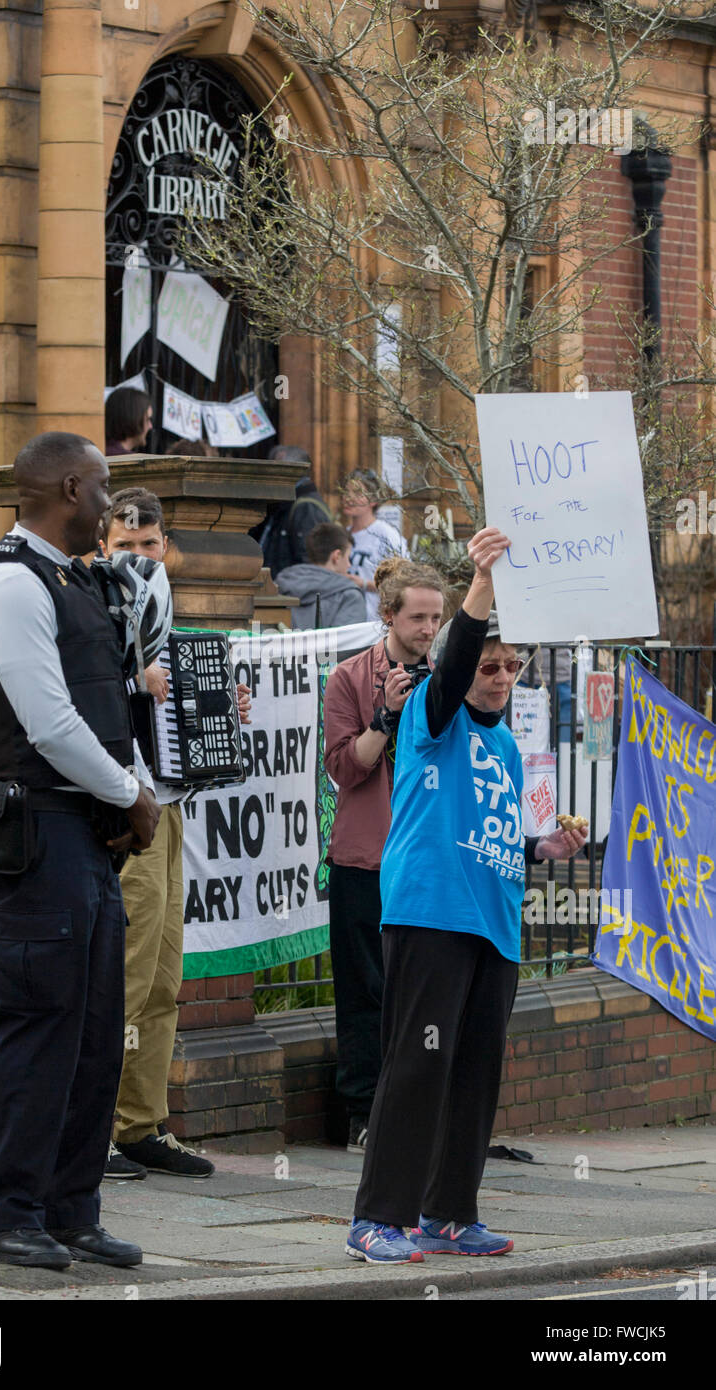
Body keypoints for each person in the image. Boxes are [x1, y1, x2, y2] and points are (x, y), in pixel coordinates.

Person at [0, 431, 161, 1270]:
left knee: (96, 1033)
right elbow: (47, 724)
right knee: (39, 1029)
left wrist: (132, 790)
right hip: (36, 838)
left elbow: (108, 712)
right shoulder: (9, 584)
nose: (112, 506)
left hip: (85, 834)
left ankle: (71, 1209)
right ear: (70, 488)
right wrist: (130, 797)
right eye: (104, 490)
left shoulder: (81, 585)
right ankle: (2, 1215)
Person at [345, 527, 587, 1265]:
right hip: (430, 914)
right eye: (490, 663)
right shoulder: (428, 712)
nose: (502, 674)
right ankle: (377, 1219)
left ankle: (448, 1213)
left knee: (475, 1072)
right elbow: (449, 664)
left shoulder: (506, 745)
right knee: (418, 1065)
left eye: (513, 665)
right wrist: (481, 585)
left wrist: (541, 849)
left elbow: (493, 831)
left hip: (494, 926)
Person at [101, 487, 252, 1180]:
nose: (137, 556)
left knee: (163, 979)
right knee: (121, 979)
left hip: (168, 810)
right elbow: (71, 695)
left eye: (148, 545)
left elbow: (187, 729)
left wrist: (224, 709)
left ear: (167, 548)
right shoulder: (92, 610)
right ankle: (90, 1129)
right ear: (104, 546)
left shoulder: (169, 621)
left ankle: (140, 1124)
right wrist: (136, 679)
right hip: (120, 815)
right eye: (125, 545)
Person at [323, 558, 446, 1154]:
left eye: (437, 617)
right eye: (418, 617)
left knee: (424, 989)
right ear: (389, 615)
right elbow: (345, 768)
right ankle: (363, 1113)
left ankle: (420, 1110)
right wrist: (387, 714)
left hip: (430, 857)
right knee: (365, 988)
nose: (428, 629)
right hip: (366, 857)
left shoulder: (452, 677)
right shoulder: (351, 676)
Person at [340, 469, 408, 622]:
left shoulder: (386, 535)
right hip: (345, 619)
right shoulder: (343, 535)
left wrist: (363, 583)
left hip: (374, 621)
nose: (349, 498)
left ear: (373, 500)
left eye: (357, 493)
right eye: (346, 492)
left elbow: (403, 581)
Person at [254, 446, 331, 578]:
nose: (270, 475)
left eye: (275, 469)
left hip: (290, 592)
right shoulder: (285, 503)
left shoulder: (306, 506)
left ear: (293, 470)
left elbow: (309, 564)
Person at [275, 522, 367, 630]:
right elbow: (348, 644)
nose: (349, 564)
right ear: (336, 556)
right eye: (348, 557)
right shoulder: (349, 596)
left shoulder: (279, 585)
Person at [105, 387, 153, 456]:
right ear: (135, 418)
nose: (150, 426)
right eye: (147, 419)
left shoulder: (99, 452)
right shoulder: (132, 462)